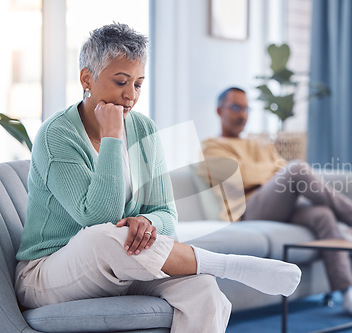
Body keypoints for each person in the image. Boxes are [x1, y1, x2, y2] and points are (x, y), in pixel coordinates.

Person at [14, 24, 301, 333]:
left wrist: (148, 224)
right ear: (87, 78)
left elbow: (167, 216)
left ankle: (212, 270)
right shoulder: (56, 134)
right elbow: (98, 218)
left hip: (123, 264)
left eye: (138, 84)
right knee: (101, 236)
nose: (130, 96)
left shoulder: (145, 129)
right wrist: (112, 136)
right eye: (121, 82)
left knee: (203, 290)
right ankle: (226, 264)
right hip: (47, 274)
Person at [202, 87, 352, 317]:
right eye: (235, 107)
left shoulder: (255, 144)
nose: (242, 114)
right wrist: (273, 174)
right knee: (296, 168)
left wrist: (271, 174)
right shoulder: (211, 146)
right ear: (219, 110)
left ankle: (348, 293)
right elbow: (241, 176)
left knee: (323, 214)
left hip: (280, 202)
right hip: (249, 210)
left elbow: (272, 169)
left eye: (246, 108)